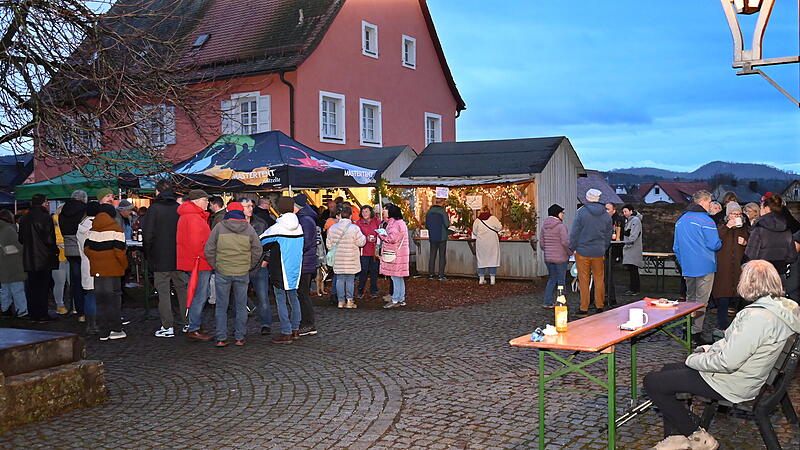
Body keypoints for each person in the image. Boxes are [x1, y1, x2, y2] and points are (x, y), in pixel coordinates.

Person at [644, 260, 800, 448]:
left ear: (748, 283)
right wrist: (709, 350)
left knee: (652, 382)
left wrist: (693, 359)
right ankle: (680, 435)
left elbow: (728, 362)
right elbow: (735, 346)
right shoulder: (784, 308)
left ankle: (696, 434)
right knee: (668, 370)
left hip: (732, 382)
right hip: (747, 375)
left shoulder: (757, 318)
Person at [204, 202, 262, 347]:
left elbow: (209, 249)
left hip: (223, 271)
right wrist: (249, 265)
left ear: (228, 211)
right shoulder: (248, 228)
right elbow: (258, 249)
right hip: (242, 271)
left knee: (221, 306)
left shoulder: (219, 227)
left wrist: (216, 265)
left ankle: (221, 338)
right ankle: (240, 337)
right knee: (241, 305)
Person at [673, 190, 722, 345]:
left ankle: (686, 328)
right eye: (710, 202)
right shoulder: (706, 220)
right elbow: (714, 244)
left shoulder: (681, 220)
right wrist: (721, 241)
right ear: (703, 202)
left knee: (689, 299)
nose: (711, 205)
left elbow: (676, 247)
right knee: (701, 302)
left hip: (688, 266)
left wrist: (683, 263)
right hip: (705, 265)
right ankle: (696, 333)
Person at [142, 179, 187, 338]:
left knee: (163, 292)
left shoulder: (154, 209)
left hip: (160, 257)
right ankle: (188, 322)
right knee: (182, 290)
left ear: (157, 191)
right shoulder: (178, 209)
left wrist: (148, 254)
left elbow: (147, 235)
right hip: (178, 256)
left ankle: (168, 326)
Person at [261, 197, 305, 344]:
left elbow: (261, 241)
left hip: (280, 268)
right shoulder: (299, 226)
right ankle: (295, 329)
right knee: (294, 298)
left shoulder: (277, 227)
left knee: (280, 299)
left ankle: (286, 331)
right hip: (295, 268)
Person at [84, 205, 128, 341]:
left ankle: (103, 331)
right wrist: (124, 266)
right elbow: (120, 253)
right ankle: (116, 329)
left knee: (101, 301)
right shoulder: (117, 230)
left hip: (98, 270)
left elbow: (87, 249)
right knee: (113, 300)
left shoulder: (92, 230)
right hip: (113, 270)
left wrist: (97, 260)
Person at [177, 190, 213, 342]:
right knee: (200, 295)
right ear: (197, 201)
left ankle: (195, 324)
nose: (208, 203)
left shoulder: (189, 215)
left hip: (193, 261)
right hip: (199, 262)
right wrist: (210, 257)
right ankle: (194, 327)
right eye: (205, 200)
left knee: (197, 294)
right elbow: (197, 244)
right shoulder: (194, 218)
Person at [569, 188, 612, 316]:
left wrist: (573, 246)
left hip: (583, 250)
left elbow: (575, 232)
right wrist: (603, 247)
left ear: (587, 198)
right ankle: (600, 305)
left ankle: (584, 308)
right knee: (599, 279)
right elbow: (608, 234)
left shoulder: (581, 213)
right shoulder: (606, 214)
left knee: (583, 280)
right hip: (598, 251)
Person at [18, 193, 59, 321]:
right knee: (43, 287)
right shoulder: (45, 217)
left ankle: (33, 313)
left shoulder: (24, 218)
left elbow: (21, 239)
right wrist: (55, 250)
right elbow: (49, 239)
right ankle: (42, 313)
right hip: (44, 258)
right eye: (46, 201)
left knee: (32, 287)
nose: (47, 203)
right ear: (42, 202)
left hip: (29, 258)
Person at [711, 202, 749, 331]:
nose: (736, 216)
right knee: (723, 298)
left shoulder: (744, 228)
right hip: (724, 269)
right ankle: (722, 326)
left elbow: (752, 246)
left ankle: (740, 327)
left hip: (738, 268)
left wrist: (745, 243)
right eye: (733, 214)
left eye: (738, 214)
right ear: (728, 215)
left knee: (739, 298)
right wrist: (727, 227)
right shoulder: (721, 227)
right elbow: (714, 241)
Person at [745, 194, 795, 293]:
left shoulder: (759, 227)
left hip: (761, 273)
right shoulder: (786, 227)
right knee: (778, 299)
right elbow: (792, 256)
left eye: (761, 207)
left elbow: (750, 254)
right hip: (780, 273)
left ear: (766, 208)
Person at [326, 202, 366, 309]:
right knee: (350, 280)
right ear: (350, 216)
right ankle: (349, 301)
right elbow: (361, 242)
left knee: (339, 280)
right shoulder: (354, 228)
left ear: (339, 215)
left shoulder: (333, 228)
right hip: (351, 258)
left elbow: (328, 244)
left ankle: (340, 301)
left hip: (338, 258)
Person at [240, 196, 271, 328]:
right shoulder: (236, 224)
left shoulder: (260, 223)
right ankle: (240, 327)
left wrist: (266, 260)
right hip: (241, 266)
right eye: (247, 206)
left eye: (251, 206)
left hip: (259, 265)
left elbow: (268, 242)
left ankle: (266, 324)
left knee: (263, 297)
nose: (250, 208)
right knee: (239, 298)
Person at [294, 194, 320, 336]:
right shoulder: (305, 219)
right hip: (305, 262)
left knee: (303, 294)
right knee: (302, 294)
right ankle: (306, 323)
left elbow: (306, 243)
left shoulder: (305, 220)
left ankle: (308, 324)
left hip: (305, 262)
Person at [59, 189, 87, 317]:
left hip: (69, 249)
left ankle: (77, 309)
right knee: (85, 280)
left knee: (74, 280)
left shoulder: (63, 212)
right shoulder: (84, 210)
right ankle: (85, 310)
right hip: (81, 247)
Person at [540, 204, 571, 308]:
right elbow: (565, 242)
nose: (563, 214)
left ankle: (547, 302)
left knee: (552, 279)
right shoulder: (561, 227)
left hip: (548, 258)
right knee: (561, 280)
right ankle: (561, 302)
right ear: (557, 214)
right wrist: (570, 252)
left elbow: (542, 244)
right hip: (560, 258)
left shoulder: (544, 227)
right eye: (562, 212)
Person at [379, 204, 410, 309]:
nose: (383, 211)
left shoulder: (394, 224)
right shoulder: (400, 223)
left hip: (395, 254)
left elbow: (392, 239)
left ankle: (395, 299)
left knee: (395, 277)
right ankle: (401, 299)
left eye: (385, 210)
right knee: (399, 277)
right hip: (400, 254)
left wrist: (382, 235)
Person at [77, 202, 100, 334]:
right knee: (94, 295)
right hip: (96, 264)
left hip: (85, 264)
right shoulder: (95, 227)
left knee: (89, 295)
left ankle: (90, 323)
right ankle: (94, 324)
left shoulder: (81, 226)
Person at [0, 209, 28, 318]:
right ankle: (21, 310)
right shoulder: (9, 229)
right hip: (13, 263)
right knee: (17, 289)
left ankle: (5, 308)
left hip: (2, 263)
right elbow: (19, 245)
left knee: (5, 288)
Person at [472, 207, 502, 285]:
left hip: (481, 242)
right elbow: (500, 227)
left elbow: (474, 232)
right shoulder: (493, 218)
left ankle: (481, 279)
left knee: (481, 259)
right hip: (492, 242)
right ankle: (492, 279)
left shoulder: (477, 220)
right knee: (492, 259)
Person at [355, 205, 380, 297]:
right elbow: (356, 236)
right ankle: (360, 290)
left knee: (374, 271)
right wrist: (366, 238)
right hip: (363, 251)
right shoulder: (358, 223)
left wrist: (377, 238)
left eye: (366, 211)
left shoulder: (377, 221)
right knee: (363, 271)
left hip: (374, 251)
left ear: (370, 212)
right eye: (363, 211)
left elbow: (381, 231)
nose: (364, 213)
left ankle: (373, 290)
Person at [425, 199, 450, 280]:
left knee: (432, 255)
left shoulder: (429, 212)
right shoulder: (442, 212)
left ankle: (431, 274)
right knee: (442, 256)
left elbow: (426, 225)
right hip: (442, 236)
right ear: (442, 203)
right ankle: (441, 275)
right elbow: (447, 224)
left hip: (432, 236)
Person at [621, 204, 643, 296]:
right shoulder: (631, 220)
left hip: (632, 248)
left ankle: (634, 289)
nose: (624, 213)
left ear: (631, 211)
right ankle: (633, 288)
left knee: (633, 269)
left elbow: (634, 235)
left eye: (626, 211)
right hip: (630, 248)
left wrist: (627, 242)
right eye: (623, 212)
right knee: (632, 269)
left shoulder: (635, 221)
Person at [52, 209, 70, 314]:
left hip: (62, 257)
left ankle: (61, 305)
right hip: (62, 256)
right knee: (61, 283)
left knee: (60, 283)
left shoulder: (55, 220)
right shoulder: (55, 220)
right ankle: (62, 305)